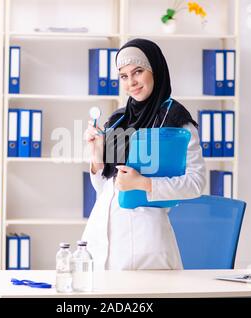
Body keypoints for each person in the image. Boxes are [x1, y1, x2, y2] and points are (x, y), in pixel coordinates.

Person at [82, 38, 206, 270]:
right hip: (101, 239)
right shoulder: (118, 119)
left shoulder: (177, 122)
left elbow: (196, 183)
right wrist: (97, 158)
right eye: (124, 76)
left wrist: (144, 183)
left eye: (138, 71)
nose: (132, 82)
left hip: (145, 245)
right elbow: (106, 188)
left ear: (156, 71)